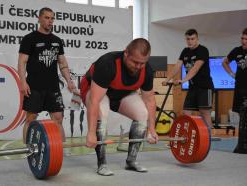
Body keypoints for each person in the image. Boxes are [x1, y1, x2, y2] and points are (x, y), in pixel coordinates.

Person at [80, 38, 159, 176]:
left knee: (142, 114)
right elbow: (94, 100)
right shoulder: (107, 64)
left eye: (143, 63)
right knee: (102, 111)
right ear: (126, 53)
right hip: (93, 92)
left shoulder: (146, 70)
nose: (139, 66)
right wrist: (91, 133)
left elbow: (150, 100)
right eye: (135, 62)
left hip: (121, 93)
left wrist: (151, 129)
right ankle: (102, 164)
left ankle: (131, 161)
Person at [18, 7, 76, 144]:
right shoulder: (29, 39)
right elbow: (22, 62)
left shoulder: (57, 41)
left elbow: (62, 64)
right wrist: (22, 82)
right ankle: (28, 150)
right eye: (47, 18)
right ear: (39, 19)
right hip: (34, 86)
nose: (50, 21)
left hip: (52, 87)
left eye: (52, 18)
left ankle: (60, 151)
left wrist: (69, 81)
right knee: (30, 118)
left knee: (58, 118)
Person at [162, 29, 214, 129]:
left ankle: (209, 139)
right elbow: (177, 66)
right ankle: (188, 138)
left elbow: (195, 69)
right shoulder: (185, 51)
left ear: (197, 39)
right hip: (192, 87)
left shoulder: (203, 50)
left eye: (192, 39)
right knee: (186, 112)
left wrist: (183, 80)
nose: (190, 41)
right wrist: (167, 79)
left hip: (205, 87)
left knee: (204, 113)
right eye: (188, 39)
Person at [222, 28, 247, 154]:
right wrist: (231, 74)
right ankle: (241, 145)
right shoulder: (236, 51)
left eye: (246, 39)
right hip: (239, 88)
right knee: (242, 117)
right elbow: (225, 62)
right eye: (242, 38)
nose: (244, 41)